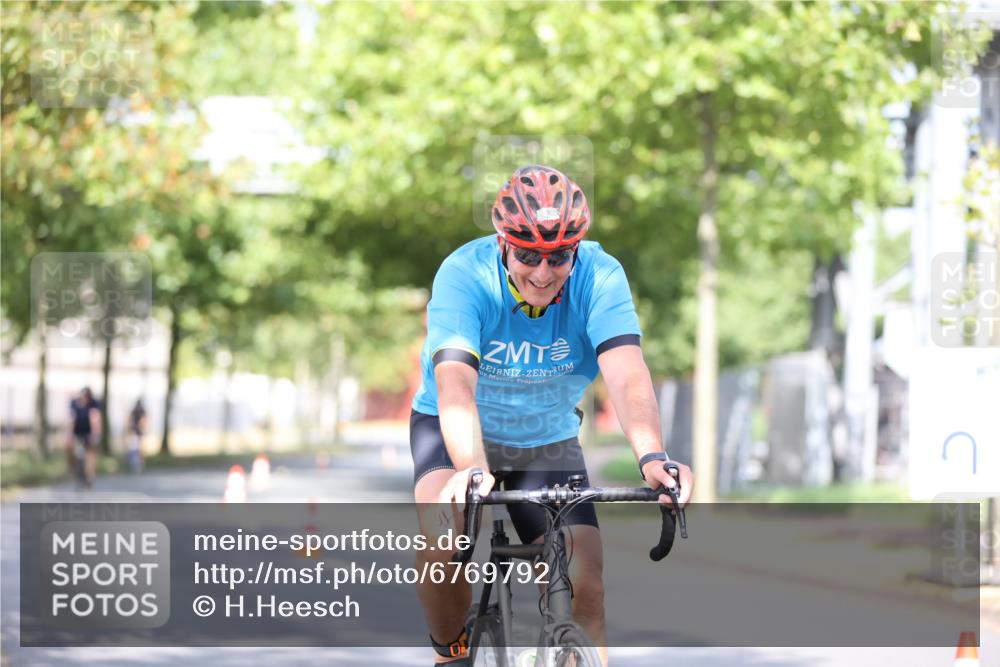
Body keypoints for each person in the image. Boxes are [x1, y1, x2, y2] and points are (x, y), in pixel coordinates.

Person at [409, 165, 694, 666]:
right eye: (527, 256)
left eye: (559, 257)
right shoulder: (464, 273)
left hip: (544, 437)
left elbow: (626, 374)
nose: (542, 273)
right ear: (502, 243)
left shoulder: (601, 276)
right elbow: (455, 384)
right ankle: (451, 656)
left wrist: (653, 457)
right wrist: (473, 468)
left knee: (586, 583)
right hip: (455, 428)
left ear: (576, 250)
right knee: (443, 541)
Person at [67, 387, 102, 487]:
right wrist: (70, 435)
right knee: (68, 448)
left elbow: (95, 419)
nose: (85, 399)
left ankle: (90, 476)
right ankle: (72, 470)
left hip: (89, 432)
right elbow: (72, 420)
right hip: (77, 431)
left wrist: (95, 435)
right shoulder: (74, 403)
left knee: (90, 453)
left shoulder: (94, 404)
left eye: (87, 397)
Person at [125, 398, 147, 474]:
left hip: (135, 432)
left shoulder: (135, 410)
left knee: (135, 449)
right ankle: (138, 466)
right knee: (138, 450)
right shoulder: (141, 410)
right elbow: (143, 421)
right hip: (137, 432)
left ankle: (136, 466)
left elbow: (130, 420)